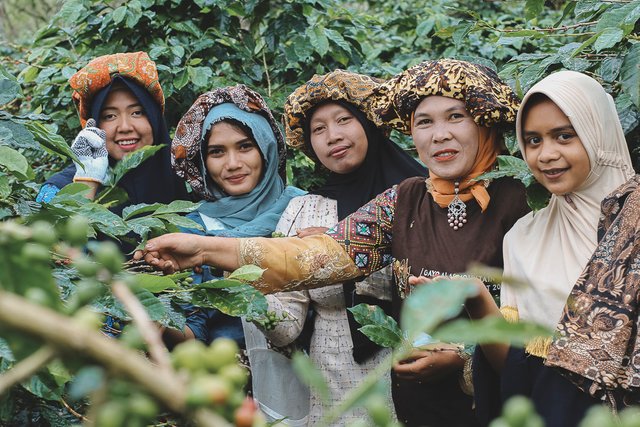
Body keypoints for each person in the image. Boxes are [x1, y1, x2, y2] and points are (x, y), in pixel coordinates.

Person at [135, 59, 529, 426]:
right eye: (423, 122)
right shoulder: (404, 198)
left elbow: (546, 319)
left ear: (484, 120)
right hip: (417, 410)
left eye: (455, 117)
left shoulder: (527, 201)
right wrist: (203, 249)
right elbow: (318, 257)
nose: (439, 135)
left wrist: (465, 358)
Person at [243, 70, 426, 425]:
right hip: (333, 392)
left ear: (370, 124)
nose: (333, 136)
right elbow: (287, 328)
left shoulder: (420, 197)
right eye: (319, 129)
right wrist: (249, 288)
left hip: (417, 378)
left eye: (344, 120)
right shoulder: (304, 210)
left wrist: (339, 244)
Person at [468, 70, 635, 427]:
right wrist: (476, 299)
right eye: (533, 140)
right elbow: (516, 371)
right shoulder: (523, 238)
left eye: (564, 136)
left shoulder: (634, 223)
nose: (546, 155)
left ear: (597, 133)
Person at [165, 85, 305, 350]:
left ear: (267, 149)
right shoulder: (192, 229)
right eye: (217, 152)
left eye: (245, 147)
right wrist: (152, 317)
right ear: (203, 162)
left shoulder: (303, 209)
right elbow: (193, 330)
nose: (232, 164)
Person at [36, 52, 189, 218]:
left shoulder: (189, 174)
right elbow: (46, 237)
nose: (124, 127)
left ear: (155, 118)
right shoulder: (58, 189)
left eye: (137, 112)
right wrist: (87, 183)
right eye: (109, 116)